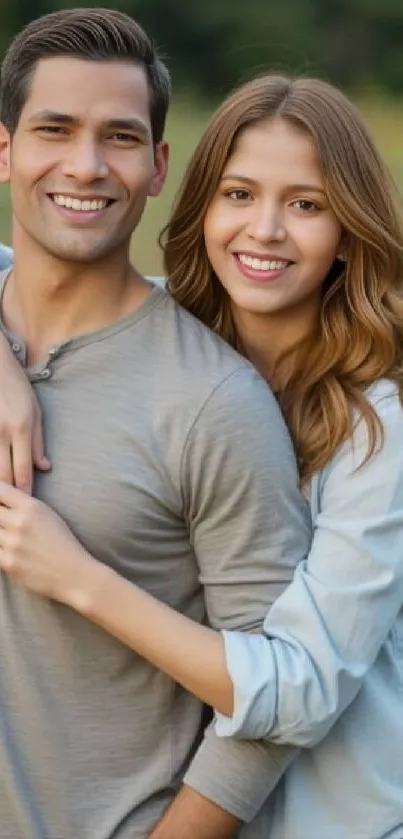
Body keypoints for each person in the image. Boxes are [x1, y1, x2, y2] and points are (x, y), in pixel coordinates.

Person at [2, 73, 403, 839]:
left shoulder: (376, 426)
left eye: (306, 205)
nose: (265, 230)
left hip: (338, 820)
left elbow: (302, 688)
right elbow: (24, 265)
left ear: (348, 230)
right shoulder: (166, 332)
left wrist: (80, 577)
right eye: (239, 194)